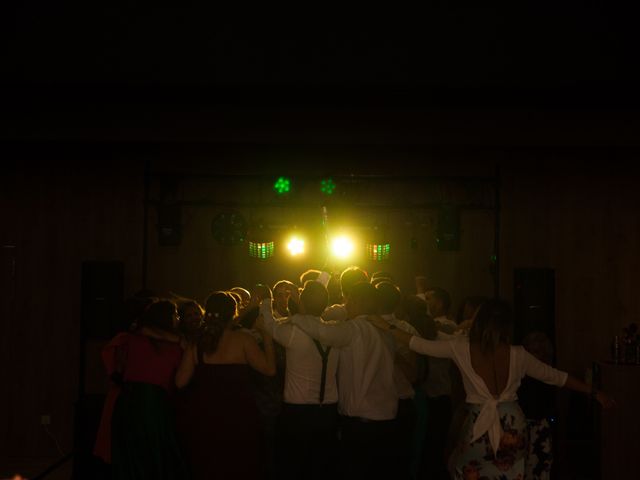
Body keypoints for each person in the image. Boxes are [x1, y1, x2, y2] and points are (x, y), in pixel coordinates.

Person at [368, 299, 616, 479]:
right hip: (513, 423)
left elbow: (417, 344)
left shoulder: (460, 347)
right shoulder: (518, 354)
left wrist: (385, 326)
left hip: (479, 422)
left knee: (466, 470)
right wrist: (595, 392)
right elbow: (557, 378)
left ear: (478, 322)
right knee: (510, 473)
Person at [175, 291, 276, 480]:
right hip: (239, 417)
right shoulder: (243, 340)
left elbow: (180, 382)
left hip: (205, 417)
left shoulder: (197, 342)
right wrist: (267, 337)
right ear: (233, 313)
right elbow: (269, 370)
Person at [260, 280, 340, 480]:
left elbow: (268, 324)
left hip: (298, 412)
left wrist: (265, 300)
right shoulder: (337, 332)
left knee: (293, 467)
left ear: (301, 303)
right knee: (322, 467)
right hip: (329, 411)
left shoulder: (294, 331)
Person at [102, 299, 189, 479]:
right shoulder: (177, 346)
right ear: (167, 317)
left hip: (128, 400)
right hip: (152, 402)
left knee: (132, 455)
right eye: (175, 314)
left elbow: (117, 364)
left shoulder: (132, 338)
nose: (178, 318)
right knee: (154, 453)